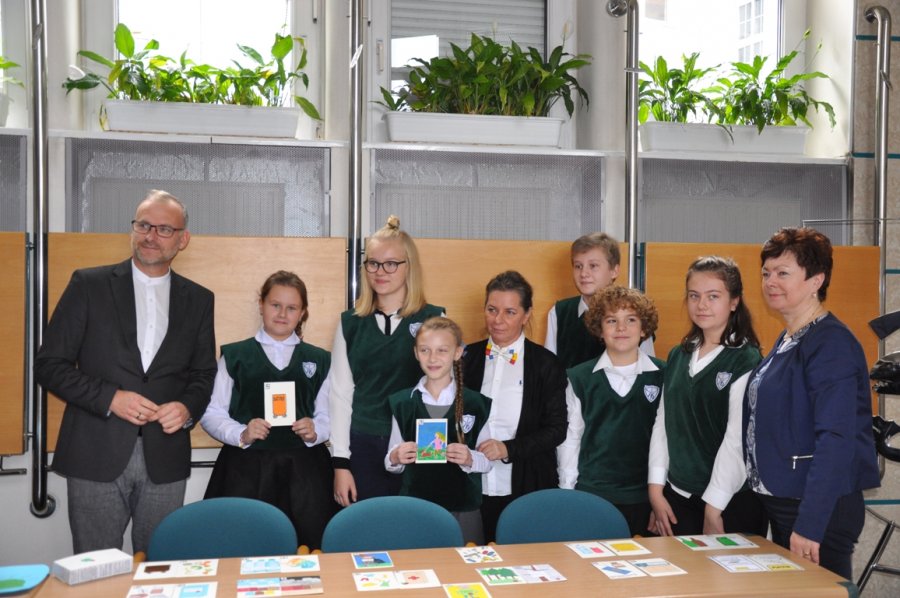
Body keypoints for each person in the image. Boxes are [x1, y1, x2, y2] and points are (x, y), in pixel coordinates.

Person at [35, 190, 216, 554]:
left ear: (183, 239)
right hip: (94, 451)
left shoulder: (199, 299)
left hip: (165, 456)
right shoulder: (89, 284)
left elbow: (203, 373)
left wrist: (185, 409)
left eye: (164, 229)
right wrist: (110, 398)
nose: (151, 235)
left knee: (160, 567)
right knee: (97, 569)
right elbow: (49, 365)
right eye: (143, 225)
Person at [744, 228, 879, 579]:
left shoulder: (830, 343)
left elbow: (837, 438)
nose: (771, 282)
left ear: (816, 280)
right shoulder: (790, 337)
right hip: (786, 502)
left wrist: (810, 523)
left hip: (816, 508)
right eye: (766, 273)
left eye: (783, 273)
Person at [200, 271, 335, 549]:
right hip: (245, 469)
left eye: (292, 307)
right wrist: (242, 433)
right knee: (243, 545)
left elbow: (329, 416)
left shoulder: (320, 360)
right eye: (275, 305)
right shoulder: (235, 356)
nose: (282, 314)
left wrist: (316, 431)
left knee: (311, 547)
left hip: (305, 472)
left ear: (303, 313)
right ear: (261, 305)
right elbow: (211, 412)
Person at [648, 256, 767, 538]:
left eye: (713, 296)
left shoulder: (746, 359)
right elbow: (664, 424)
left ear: (734, 301)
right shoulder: (679, 355)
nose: (702, 305)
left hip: (729, 502)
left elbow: (738, 439)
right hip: (677, 497)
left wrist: (713, 508)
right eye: (694, 296)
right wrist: (656, 490)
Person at [330, 215, 444, 506]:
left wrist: (433, 454)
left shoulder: (434, 318)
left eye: (391, 263)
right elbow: (340, 395)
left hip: (417, 446)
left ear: (409, 267)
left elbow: (443, 394)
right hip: (363, 445)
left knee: (418, 528)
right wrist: (341, 464)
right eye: (373, 263)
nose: (380, 272)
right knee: (367, 529)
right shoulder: (349, 324)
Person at [462, 270, 568, 543]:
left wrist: (508, 448)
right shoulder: (464, 358)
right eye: (492, 309)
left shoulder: (546, 364)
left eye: (510, 312)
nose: (498, 320)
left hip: (526, 485)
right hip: (472, 487)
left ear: (526, 314)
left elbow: (557, 429)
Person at [557, 286, 665, 535]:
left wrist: (660, 495)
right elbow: (571, 439)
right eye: (611, 320)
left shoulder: (664, 374)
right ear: (599, 328)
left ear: (644, 328)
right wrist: (568, 493)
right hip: (593, 493)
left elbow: (669, 440)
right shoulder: (579, 377)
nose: (621, 328)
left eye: (631, 320)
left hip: (646, 495)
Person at [385, 317, 492, 544]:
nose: (432, 358)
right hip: (416, 507)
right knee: (417, 564)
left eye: (442, 350)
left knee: (464, 564)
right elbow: (391, 460)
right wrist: (395, 457)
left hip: (463, 509)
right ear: (416, 353)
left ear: (457, 352)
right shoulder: (403, 403)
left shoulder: (476, 403)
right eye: (425, 350)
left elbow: (487, 462)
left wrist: (469, 458)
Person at [545, 232, 653, 368]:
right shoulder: (559, 312)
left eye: (593, 266)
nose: (583, 274)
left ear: (614, 271)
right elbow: (549, 369)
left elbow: (649, 368)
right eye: (578, 266)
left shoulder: (636, 312)